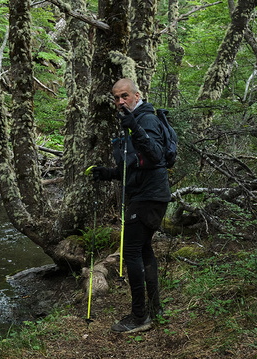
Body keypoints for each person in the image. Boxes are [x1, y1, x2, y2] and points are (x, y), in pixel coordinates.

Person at [91, 78, 171, 333]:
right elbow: (137, 167)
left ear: (137, 95)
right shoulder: (133, 121)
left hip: (149, 197)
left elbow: (157, 157)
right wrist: (108, 173)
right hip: (147, 194)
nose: (120, 101)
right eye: (116, 98)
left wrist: (134, 126)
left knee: (132, 252)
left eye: (124, 96)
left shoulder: (145, 119)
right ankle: (154, 308)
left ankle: (139, 317)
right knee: (144, 250)